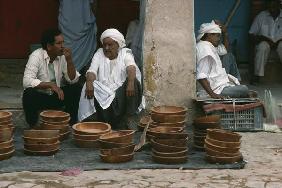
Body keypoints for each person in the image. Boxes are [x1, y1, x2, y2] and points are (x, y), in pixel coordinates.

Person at [78, 28, 143, 129]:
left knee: (134, 81)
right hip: (104, 95)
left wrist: (130, 82)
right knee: (88, 83)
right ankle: (92, 121)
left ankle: (128, 118)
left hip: (121, 96)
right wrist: (89, 83)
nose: (107, 48)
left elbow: (131, 67)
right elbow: (92, 71)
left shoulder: (125, 53)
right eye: (104, 45)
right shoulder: (99, 53)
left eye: (110, 45)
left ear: (118, 45)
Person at [22, 29, 81, 128]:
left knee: (76, 89)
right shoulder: (36, 56)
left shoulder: (62, 56)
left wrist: (69, 60)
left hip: (57, 96)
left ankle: (68, 124)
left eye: (63, 42)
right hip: (41, 97)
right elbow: (26, 81)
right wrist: (49, 85)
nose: (63, 46)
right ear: (49, 46)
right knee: (28, 93)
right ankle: (33, 125)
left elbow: (72, 80)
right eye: (59, 43)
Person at [196, 21, 249, 99]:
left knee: (229, 56)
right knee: (244, 89)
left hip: (218, 84)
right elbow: (201, 76)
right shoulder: (205, 49)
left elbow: (224, 50)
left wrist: (225, 33)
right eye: (217, 36)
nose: (219, 39)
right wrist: (213, 95)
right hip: (215, 90)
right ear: (208, 35)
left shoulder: (208, 45)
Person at [58, 0, 97, 72]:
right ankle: (69, 76)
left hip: (83, 21)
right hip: (69, 22)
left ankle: (79, 77)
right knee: (67, 51)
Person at [249, 0, 282, 84]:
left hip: (280, 43)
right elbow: (251, 34)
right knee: (262, 46)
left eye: (274, 6)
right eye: (270, 6)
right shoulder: (261, 16)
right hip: (265, 42)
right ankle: (257, 76)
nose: (272, 8)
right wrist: (264, 38)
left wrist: (278, 41)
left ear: (279, 4)